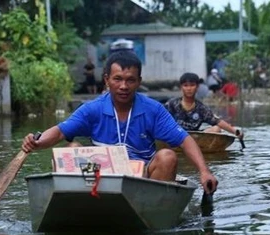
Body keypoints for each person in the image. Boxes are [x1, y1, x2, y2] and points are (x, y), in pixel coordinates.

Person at [22, 51, 218, 194]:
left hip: (143, 180)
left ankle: (151, 210)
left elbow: (185, 140)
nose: (124, 86)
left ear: (139, 81)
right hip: (101, 179)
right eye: (117, 79)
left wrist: (204, 172)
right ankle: (86, 204)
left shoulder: (153, 109)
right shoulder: (93, 109)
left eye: (130, 80)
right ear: (107, 80)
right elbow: (59, 132)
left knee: (167, 156)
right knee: (72, 147)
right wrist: (37, 142)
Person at [165, 72, 244, 140]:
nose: (189, 88)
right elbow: (158, 119)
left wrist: (235, 132)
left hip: (194, 138)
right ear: (181, 87)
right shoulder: (172, 104)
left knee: (216, 129)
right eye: (185, 85)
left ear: (197, 87)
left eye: (192, 85)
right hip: (176, 136)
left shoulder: (201, 108)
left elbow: (218, 121)